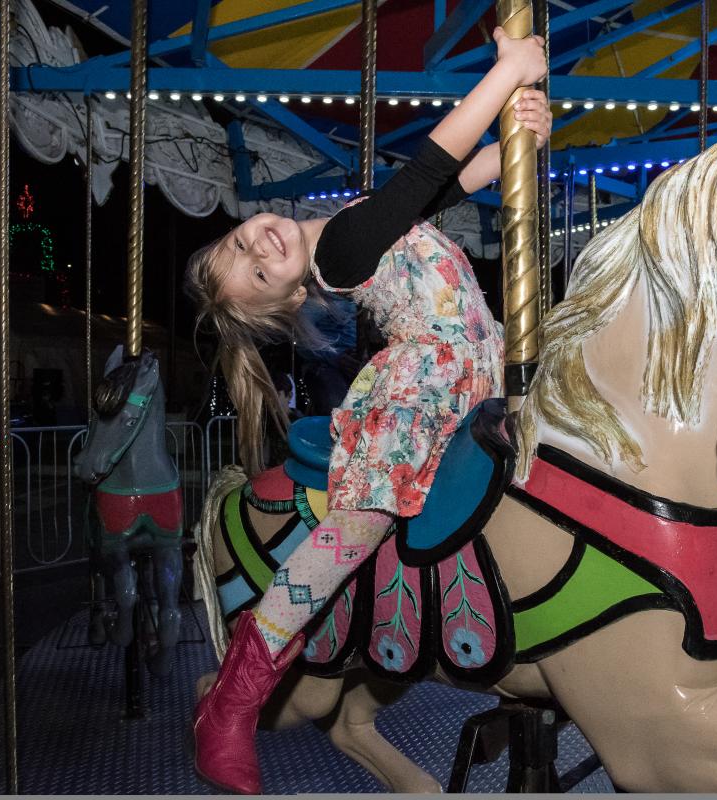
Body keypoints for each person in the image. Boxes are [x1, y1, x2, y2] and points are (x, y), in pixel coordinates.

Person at [185, 29, 549, 794]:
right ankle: (234, 695)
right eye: (256, 272)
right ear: (290, 298)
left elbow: (455, 185)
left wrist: (523, 141)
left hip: (479, 371)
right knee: (359, 526)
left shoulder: (354, 219)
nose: (259, 244)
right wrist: (506, 73)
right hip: (417, 393)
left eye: (239, 242)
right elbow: (431, 165)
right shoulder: (343, 249)